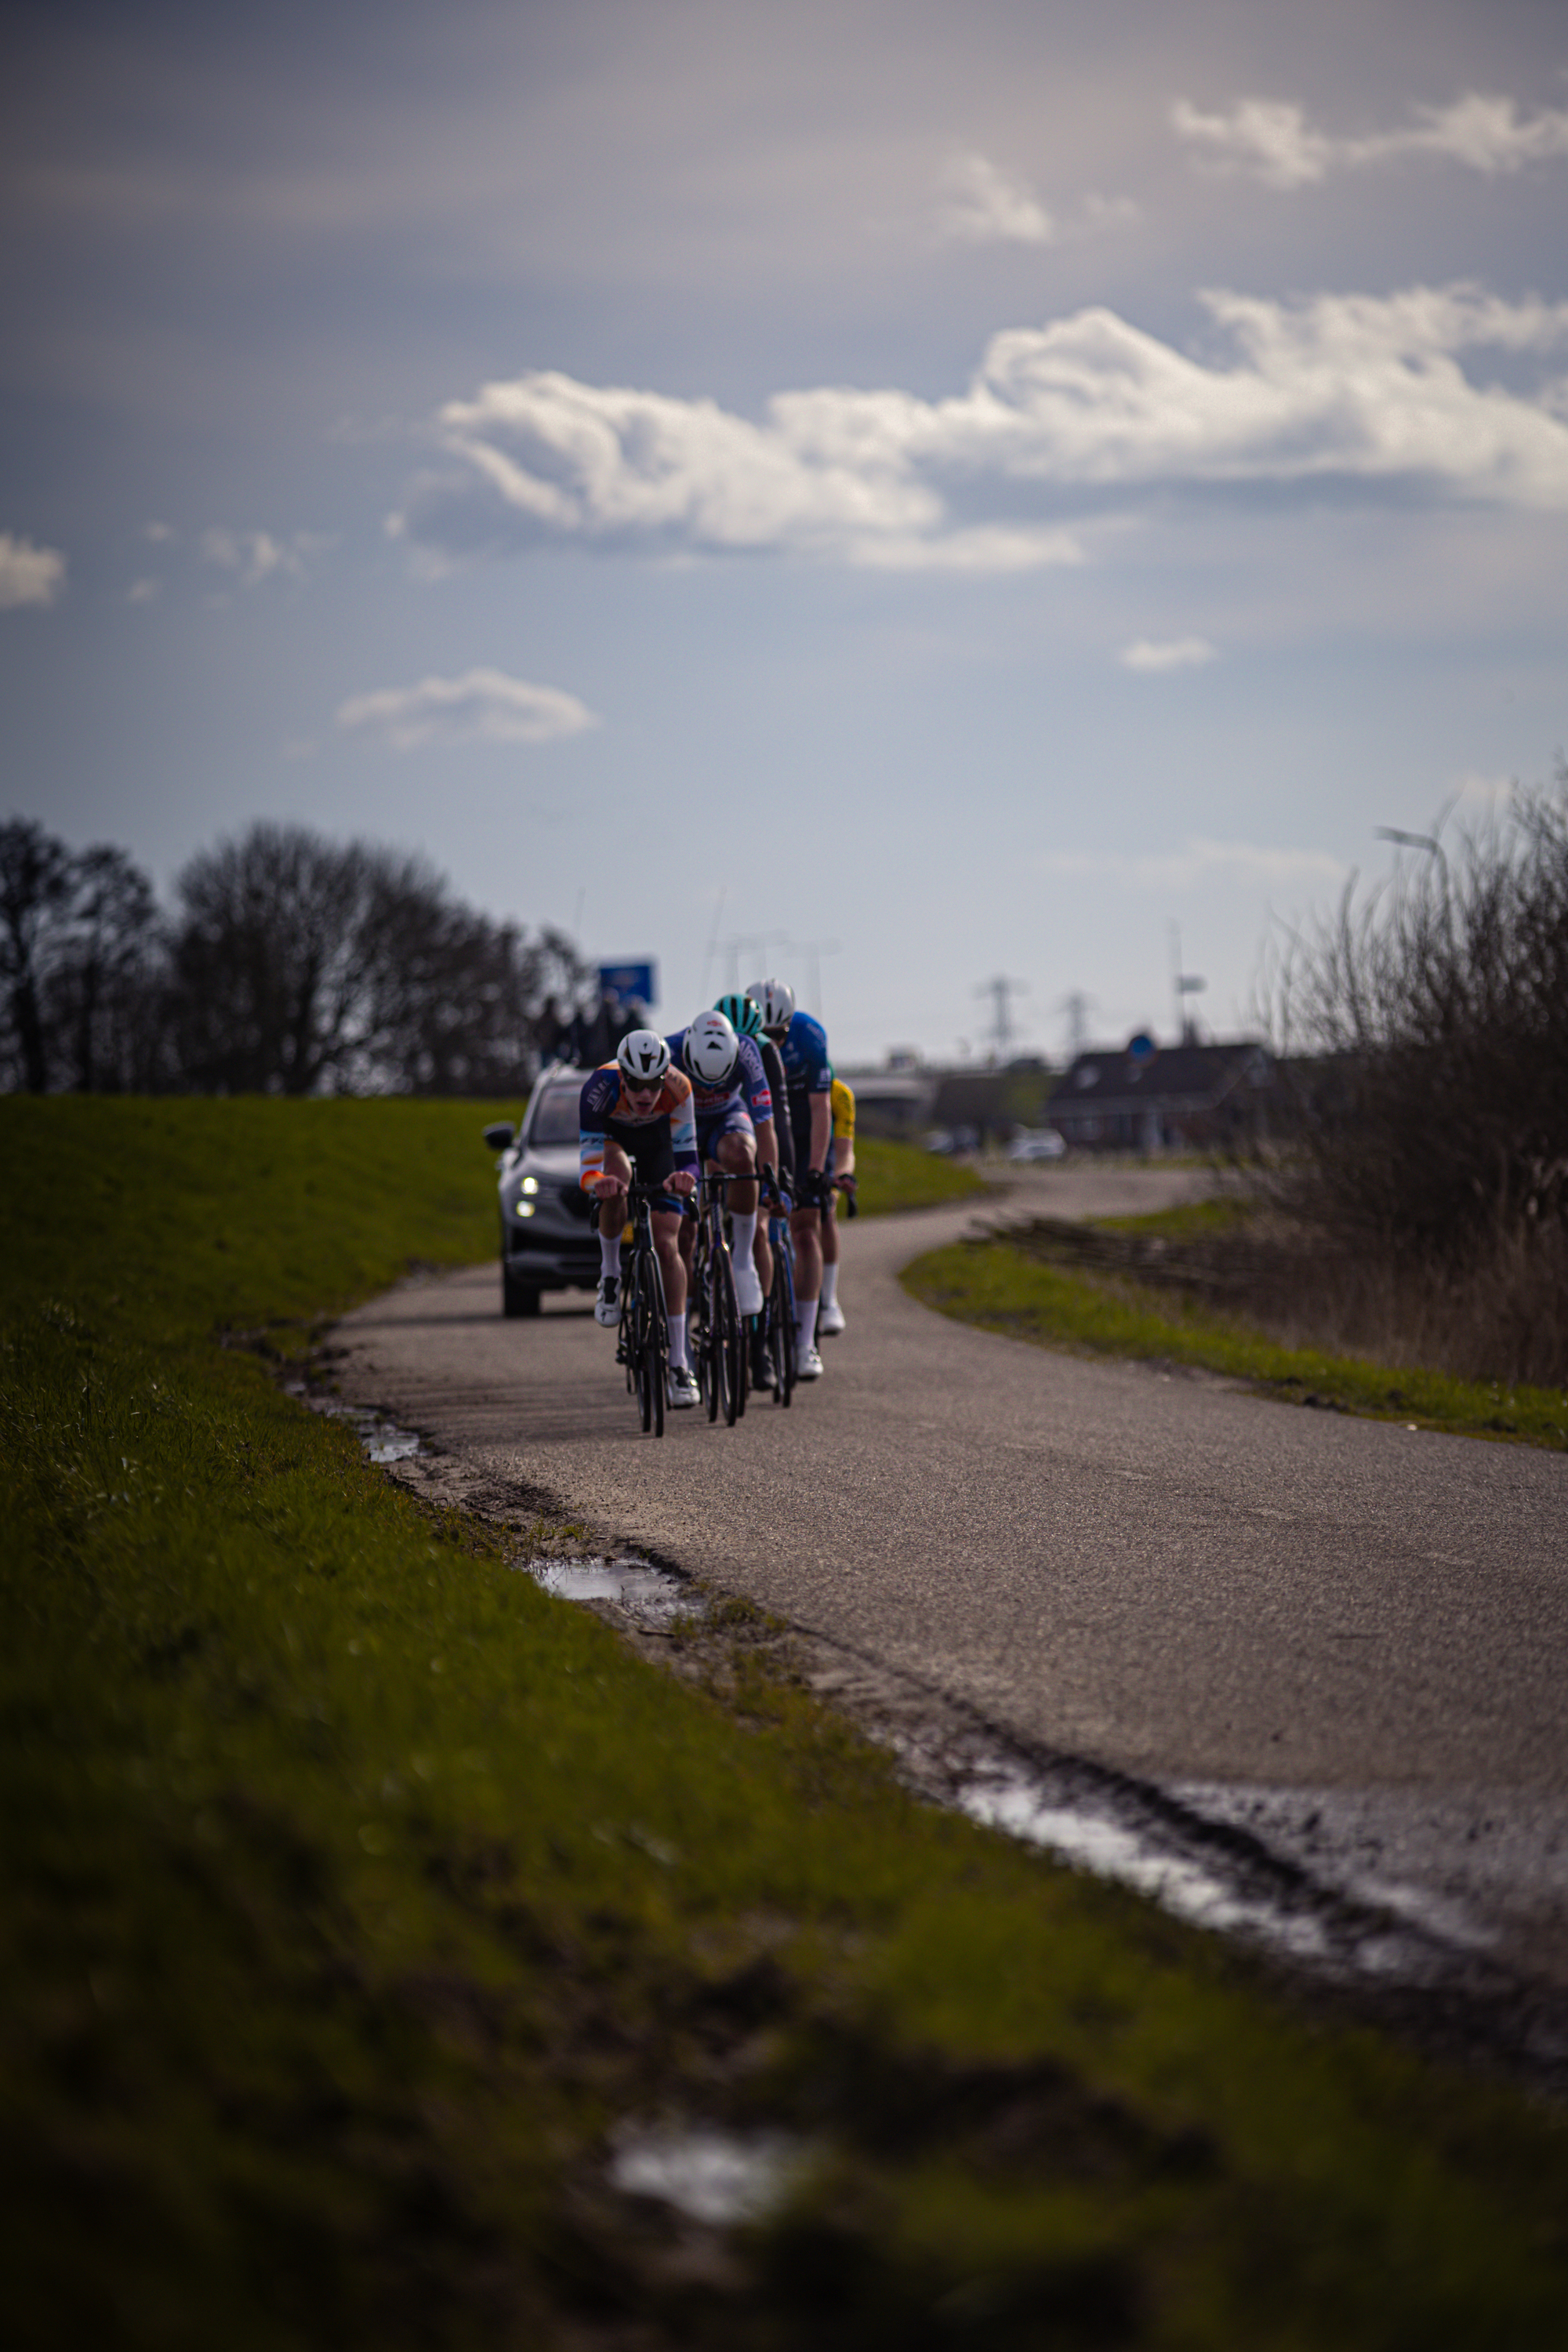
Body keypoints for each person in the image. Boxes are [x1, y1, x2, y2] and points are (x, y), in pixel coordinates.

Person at [578, 1029, 700, 1406]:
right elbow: (588, 1170)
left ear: (665, 1076)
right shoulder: (598, 1087)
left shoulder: (680, 1089)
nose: (646, 1095)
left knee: (667, 1245)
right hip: (615, 1141)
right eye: (635, 1084)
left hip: (658, 1144)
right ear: (621, 1078)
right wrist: (599, 1184)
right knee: (617, 1179)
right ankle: (611, 1275)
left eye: (653, 1084)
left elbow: (690, 1159)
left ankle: (679, 1364)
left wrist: (685, 1178)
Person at [665, 1007, 775, 1323]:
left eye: (718, 1083)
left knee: (742, 1154)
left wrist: (770, 1183)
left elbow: (765, 1124)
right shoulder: (667, 1052)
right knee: (683, 1234)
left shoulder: (746, 1051)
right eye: (702, 1083)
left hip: (726, 1119)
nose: (710, 1091)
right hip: (679, 1126)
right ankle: (680, 1329)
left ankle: (741, 1260)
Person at [747, 977, 832, 1381]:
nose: (774, 1044)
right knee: (755, 1222)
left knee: (805, 1228)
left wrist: (815, 1170)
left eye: (780, 1035)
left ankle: (804, 1343)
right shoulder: (737, 1036)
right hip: (758, 1124)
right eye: (766, 1036)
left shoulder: (811, 1037)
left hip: (798, 1127)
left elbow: (820, 1111)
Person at [713, 990, 793, 1388]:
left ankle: (759, 1343)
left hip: (754, 1138)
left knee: (759, 1228)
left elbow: (775, 1124)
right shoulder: (702, 1051)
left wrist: (776, 1181)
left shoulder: (764, 1054)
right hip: (717, 1134)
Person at [818, 1073, 856, 1335]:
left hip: (823, 1154)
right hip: (787, 1146)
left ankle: (829, 1299)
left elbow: (844, 1151)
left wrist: (840, 1178)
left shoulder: (839, 1093)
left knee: (826, 1211)